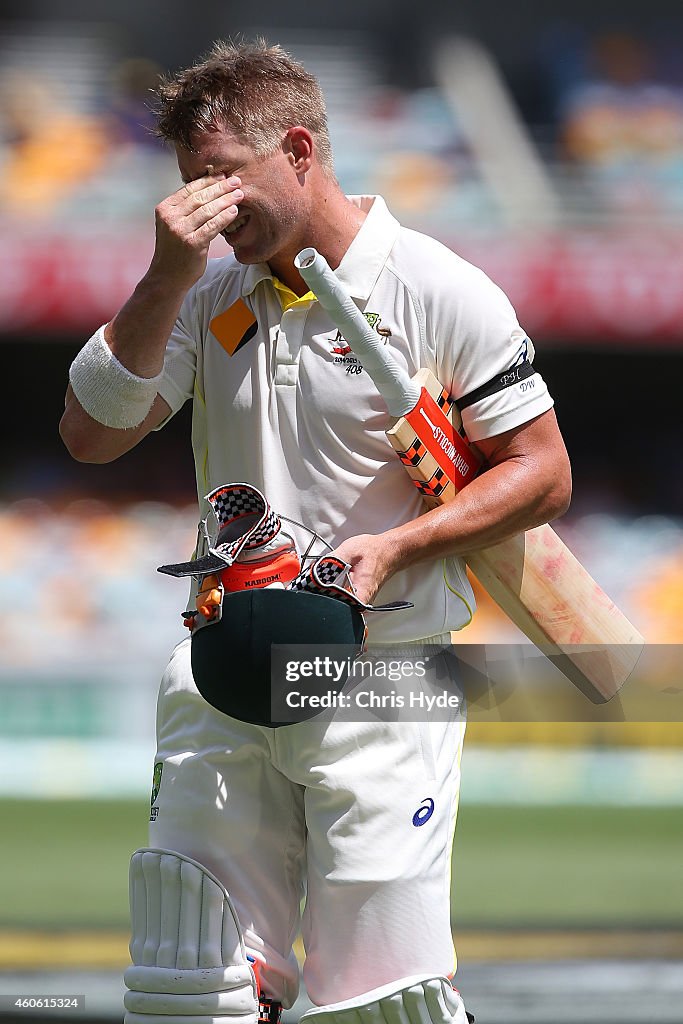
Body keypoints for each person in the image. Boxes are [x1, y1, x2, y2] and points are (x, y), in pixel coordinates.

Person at [60, 39, 571, 1024]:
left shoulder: (435, 287)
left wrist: (400, 547)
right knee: (190, 988)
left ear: (296, 149)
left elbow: (539, 472)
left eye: (218, 177)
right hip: (226, 652)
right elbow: (89, 432)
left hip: (388, 665)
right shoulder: (206, 291)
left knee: (382, 1005)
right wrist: (168, 272)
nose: (200, 205)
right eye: (185, 184)